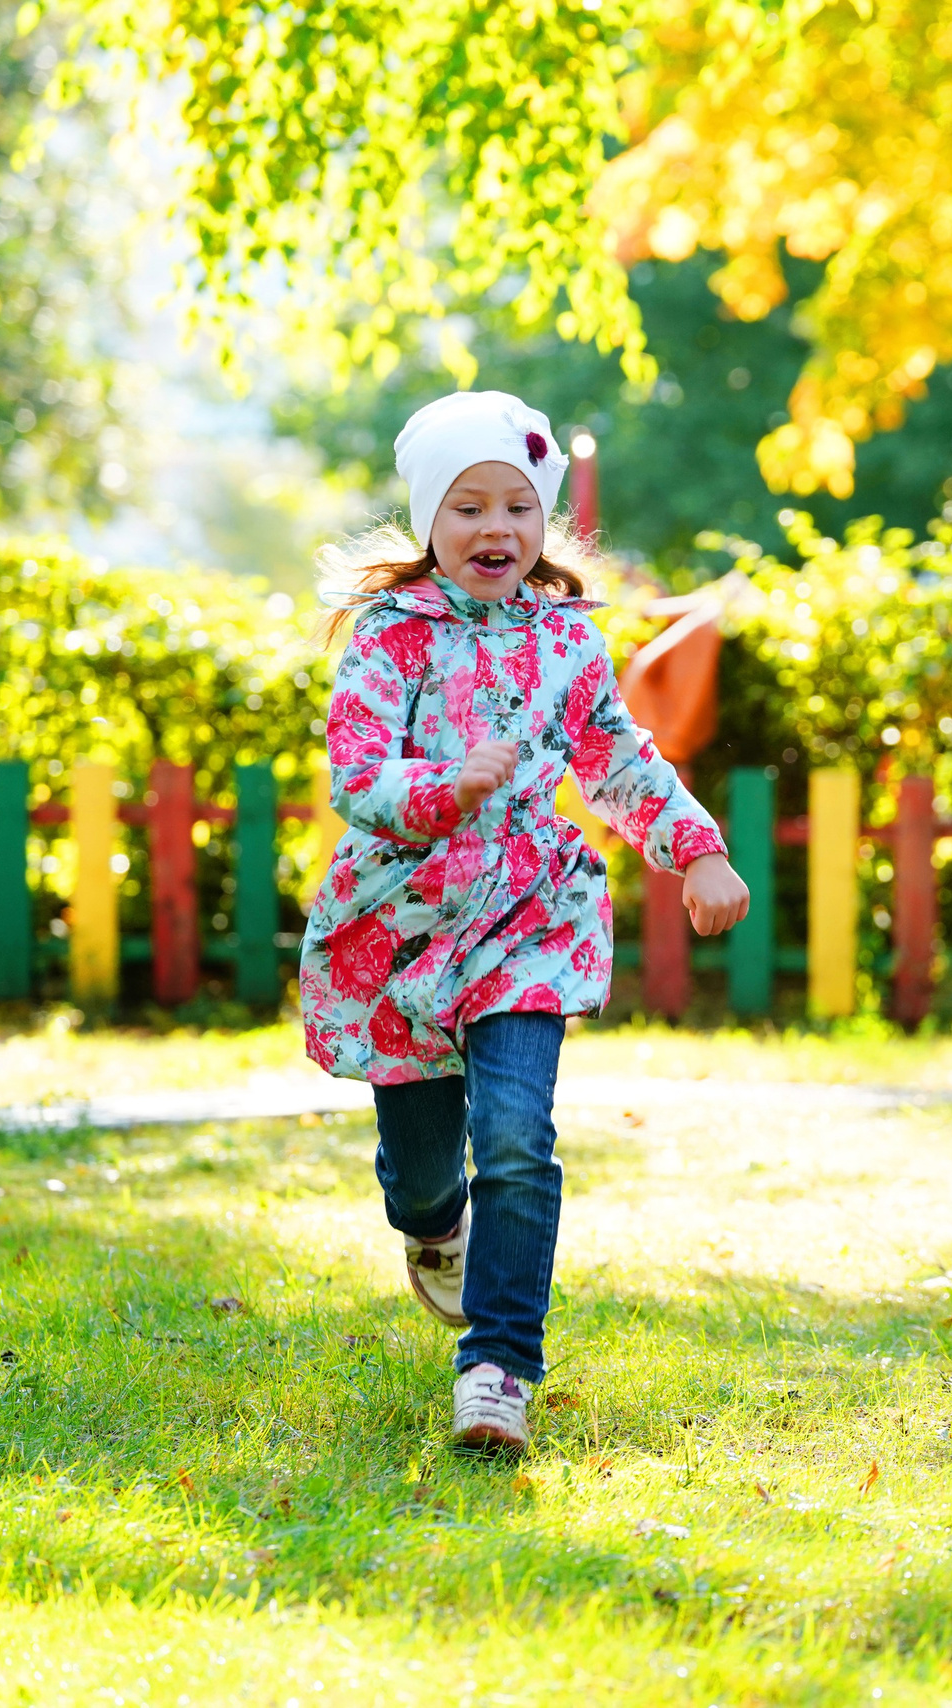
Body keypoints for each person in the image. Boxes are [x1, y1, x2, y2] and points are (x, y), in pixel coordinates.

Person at [301, 390, 751, 1453]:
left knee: (516, 1134)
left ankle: (498, 1364)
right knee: (422, 1171)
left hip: (527, 917)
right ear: (430, 521)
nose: (495, 527)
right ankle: (433, 1225)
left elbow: (619, 759)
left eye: (517, 506)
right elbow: (356, 773)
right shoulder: (390, 638)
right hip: (405, 927)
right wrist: (445, 785)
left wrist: (697, 848)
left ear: (543, 522)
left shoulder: (566, 642)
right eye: (468, 507)